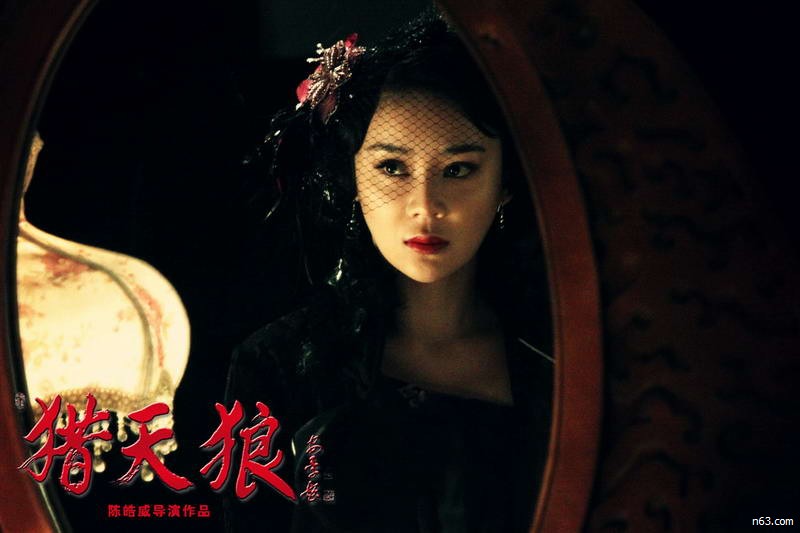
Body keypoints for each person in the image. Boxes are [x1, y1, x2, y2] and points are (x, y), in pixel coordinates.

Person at [224, 11, 553, 533]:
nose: (425, 205)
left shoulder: (557, 360)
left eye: (458, 169)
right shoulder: (281, 365)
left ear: (506, 182)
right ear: (352, 177)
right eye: (392, 168)